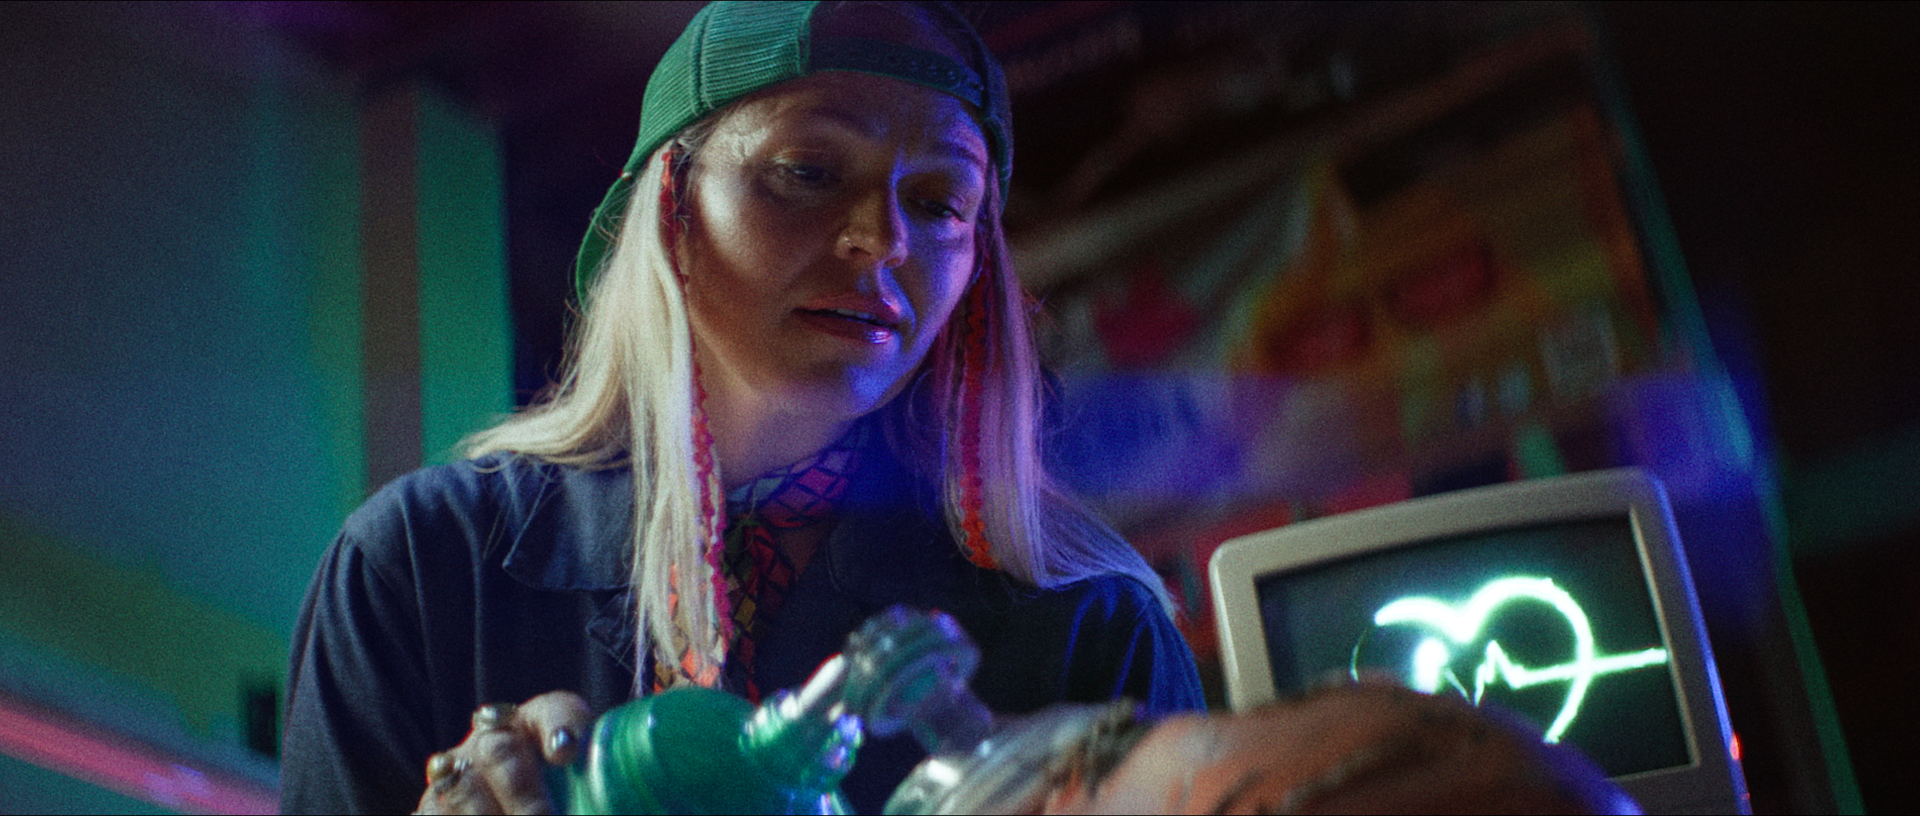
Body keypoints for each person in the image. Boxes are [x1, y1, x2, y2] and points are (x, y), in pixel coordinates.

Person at [279, 2, 1206, 813]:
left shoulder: (1091, 629)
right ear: (672, 205)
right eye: (808, 170)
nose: (880, 240)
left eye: (937, 200)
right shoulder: (424, 571)